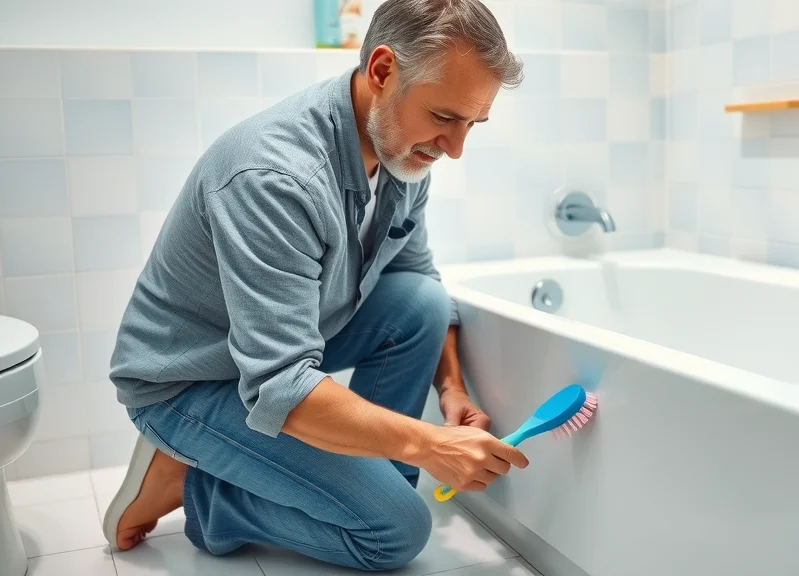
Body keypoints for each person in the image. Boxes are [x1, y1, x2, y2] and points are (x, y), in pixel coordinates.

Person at [102, 0, 528, 570]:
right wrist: (432, 444)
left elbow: (414, 275)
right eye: (445, 117)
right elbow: (281, 384)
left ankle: (363, 485)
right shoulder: (273, 178)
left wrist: (450, 388)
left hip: (273, 355)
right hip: (191, 381)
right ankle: (202, 491)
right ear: (382, 71)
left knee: (421, 303)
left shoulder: (402, 150)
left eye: (472, 124)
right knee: (397, 533)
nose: (455, 147)